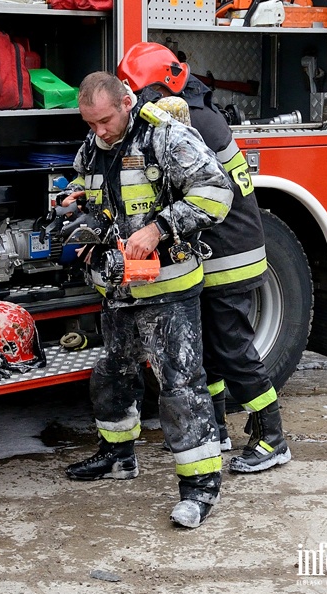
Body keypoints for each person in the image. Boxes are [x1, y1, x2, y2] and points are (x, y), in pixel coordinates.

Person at [62, 71, 234, 528]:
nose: (98, 131)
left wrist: (159, 227)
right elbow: (89, 190)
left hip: (169, 289)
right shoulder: (94, 144)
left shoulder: (167, 136)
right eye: (90, 123)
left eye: (104, 120)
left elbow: (218, 192)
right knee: (111, 376)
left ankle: (200, 488)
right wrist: (75, 209)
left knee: (180, 389)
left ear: (125, 101)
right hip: (119, 288)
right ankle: (118, 456)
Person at [117, 43, 292, 473]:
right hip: (216, 249)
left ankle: (272, 436)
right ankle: (213, 428)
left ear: (163, 88)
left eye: (137, 91)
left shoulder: (185, 122)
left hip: (229, 253)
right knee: (206, 350)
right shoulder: (189, 112)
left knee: (230, 349)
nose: (133, 100)